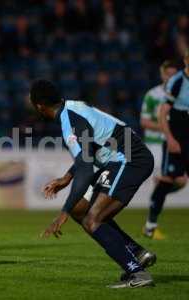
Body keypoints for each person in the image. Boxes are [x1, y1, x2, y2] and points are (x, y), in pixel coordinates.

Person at [30, 79, 155, 288]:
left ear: (39, 106)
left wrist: (64, 212)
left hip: (129, 160)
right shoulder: (73, 107)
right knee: (82, 210)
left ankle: (138, 274)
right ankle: (136, 253)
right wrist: (67, 177)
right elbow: (89, 152)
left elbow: (86, 170)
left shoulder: (70, 121)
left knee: (92, 220)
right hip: (123, 158)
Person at [141, 60, 186, 239]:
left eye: (174, 74)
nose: (171, 77)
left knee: (181, 181)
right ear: (162, 74)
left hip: (174, 142)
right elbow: (144, 122)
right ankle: (151, 225)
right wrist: (166, 127)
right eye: (168, 74)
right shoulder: (153, 94)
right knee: (166, 180)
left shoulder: (182, 91)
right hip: (156, 144)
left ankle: (155, 201)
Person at [158, 49, 189, 221]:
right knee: (170, 180)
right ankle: (151, 224)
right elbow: (162, 114)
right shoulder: (176, 83)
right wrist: (170, 138)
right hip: (174, 138)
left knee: (180, 181)